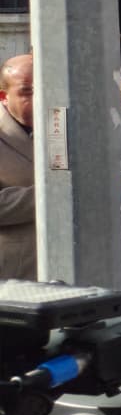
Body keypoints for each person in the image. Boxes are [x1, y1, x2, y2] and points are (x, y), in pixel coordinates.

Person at [0, 55, 34, 279]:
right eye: (27, 91)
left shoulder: (72, 126)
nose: (39, 97)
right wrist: (53, 197)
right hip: (14, 276)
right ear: (4, 97)